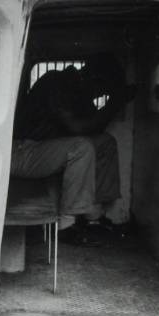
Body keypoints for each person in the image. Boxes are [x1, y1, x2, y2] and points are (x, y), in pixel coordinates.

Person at [10, 58, 134, 245]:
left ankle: (94, 218)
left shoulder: (81, 91)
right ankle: (66, 226)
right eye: (102, 90)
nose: (99, 95)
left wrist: (113, 102)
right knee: (81, 148)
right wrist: (113, 103)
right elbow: (77, 127)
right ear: (93, 79)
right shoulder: (55, 81)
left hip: (44, 149)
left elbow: (95, 129)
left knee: (105, 142)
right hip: (23, 149)